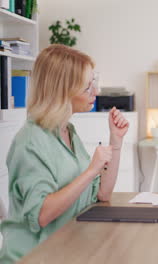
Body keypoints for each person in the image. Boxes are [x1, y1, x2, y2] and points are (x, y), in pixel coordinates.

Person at [0, 44, 129, 262]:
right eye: (87, 87)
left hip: (68, 250)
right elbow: (41, 215)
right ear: (63, 91)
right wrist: (90, 171)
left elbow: (102, 194)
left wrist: (115, 141)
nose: (95, 92)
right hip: (34, 257)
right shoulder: (30, 142)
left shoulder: (67, 131)